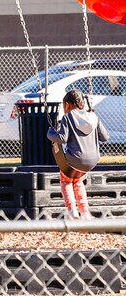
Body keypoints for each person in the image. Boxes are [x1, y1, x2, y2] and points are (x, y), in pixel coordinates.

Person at [47, 89, 109, 220]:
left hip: (74, 160)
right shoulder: (93, 116)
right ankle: (85, 212)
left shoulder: (68, 117)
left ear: (67, 105)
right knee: (78, 182)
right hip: (92, 161)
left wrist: (50, 134)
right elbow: (105, 137)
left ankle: (72, 211)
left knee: (66, 181)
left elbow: (62, 138)